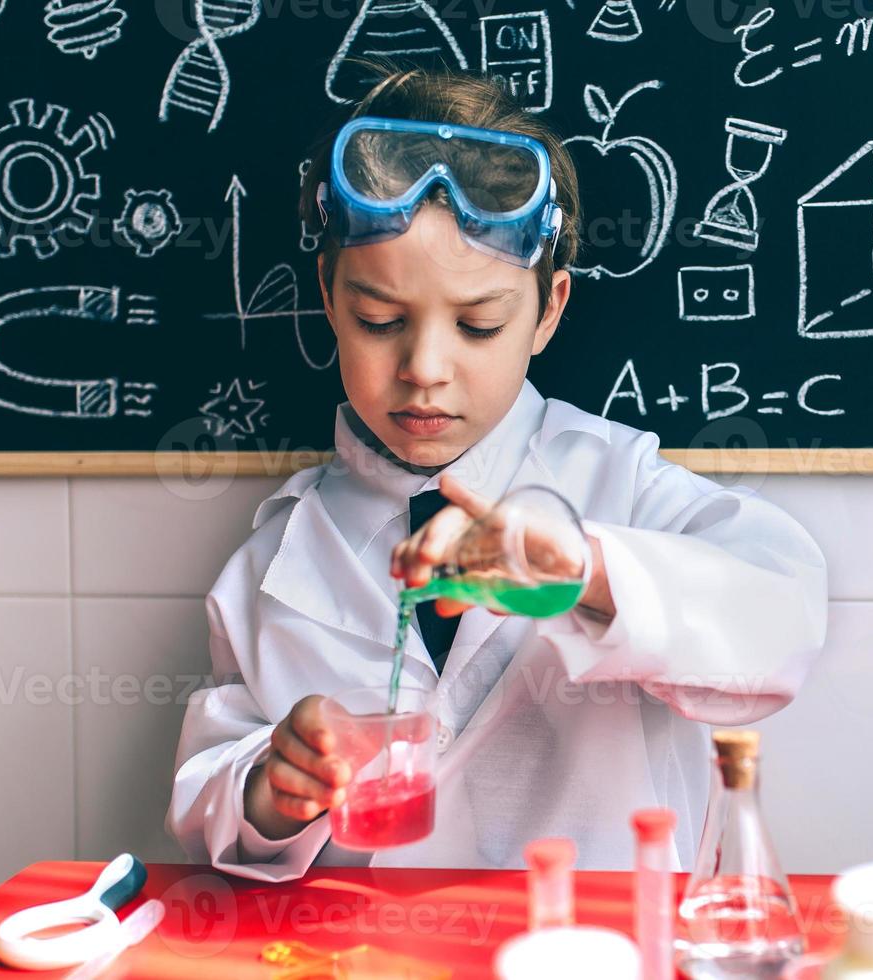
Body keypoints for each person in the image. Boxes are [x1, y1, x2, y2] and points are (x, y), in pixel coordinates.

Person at [167, 65, 828, 880]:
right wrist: (268, 786)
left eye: (478, 326)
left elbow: (780, 627)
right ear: (331, 300)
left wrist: (588, 570)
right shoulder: (277, 559)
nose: (425, 368)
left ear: (548, 309)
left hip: (603, 954)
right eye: (379, 320)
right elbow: (208, 804)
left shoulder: (623, 483)